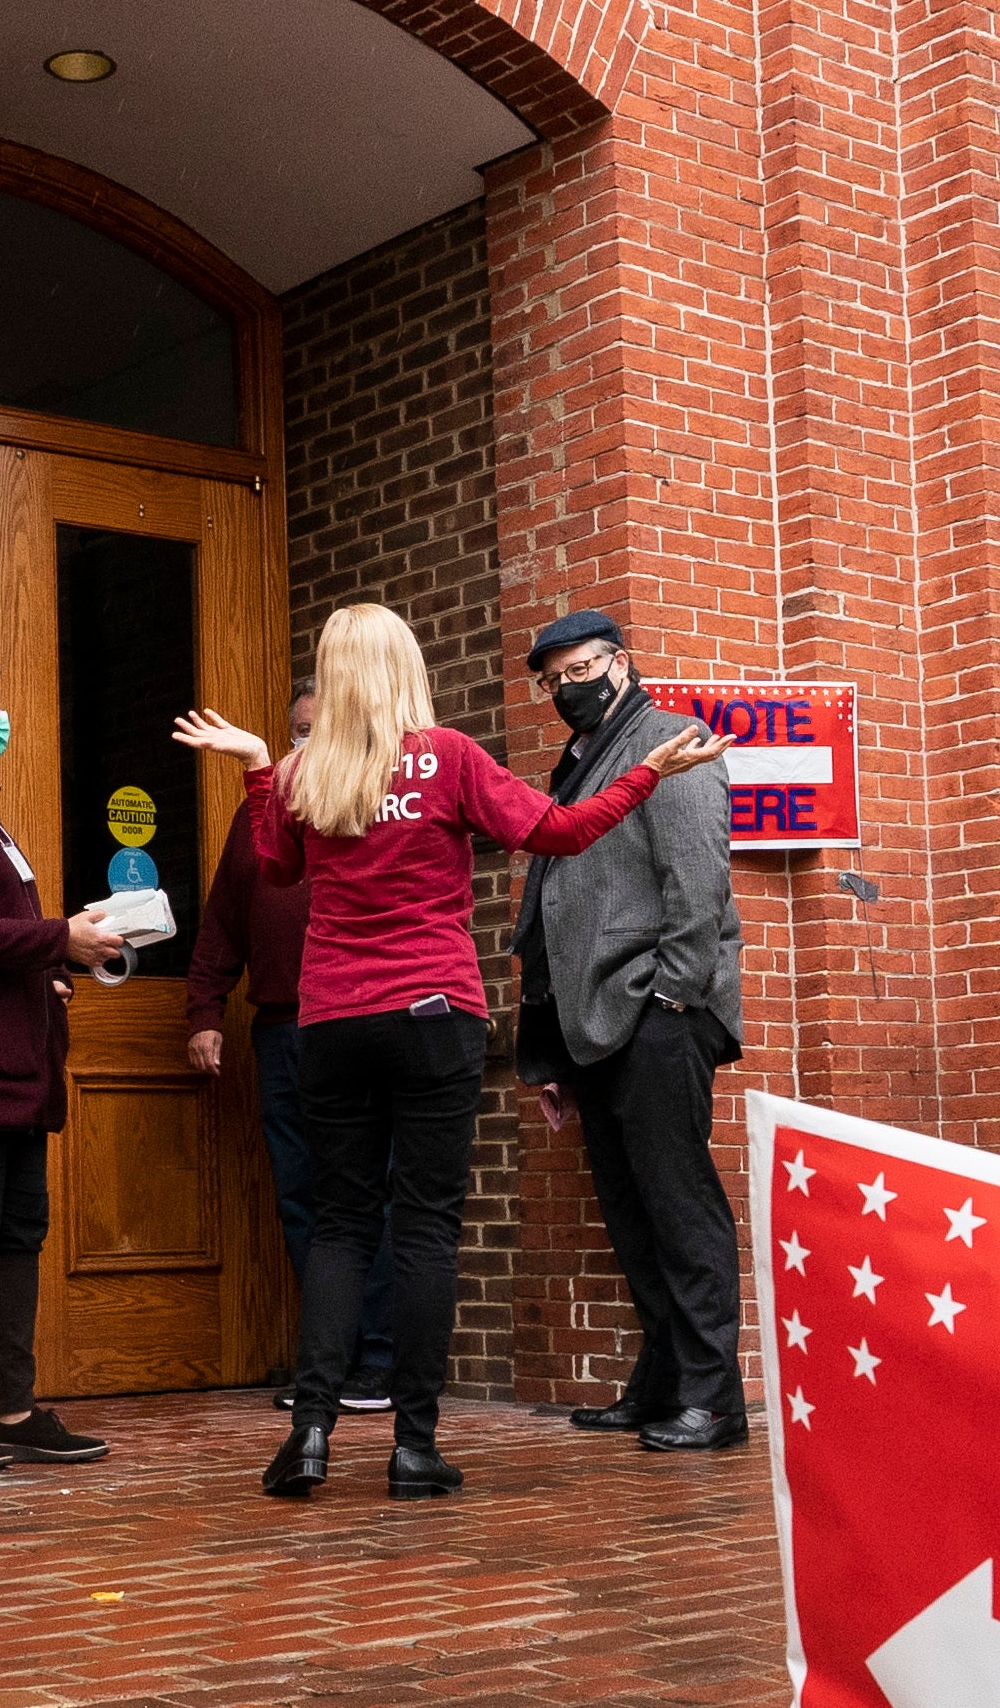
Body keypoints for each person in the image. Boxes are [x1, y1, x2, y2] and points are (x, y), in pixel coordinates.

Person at [175, 609, 716, 1501]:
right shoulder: (448, 758)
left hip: (332, 1019)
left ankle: (310, 1432)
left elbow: (274, 871)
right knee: (423, 1226)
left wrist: (256, 769)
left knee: (343, 1224)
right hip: (432, 1011)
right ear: (406, 667)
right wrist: (648, 772)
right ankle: (413, 1445)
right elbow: (561, 833)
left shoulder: (311, 769)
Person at [514, 610, 750, 1451]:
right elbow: (553, 904)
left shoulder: (671, 739)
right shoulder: (580, 761)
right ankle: (660, 1386)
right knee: (629, 1210)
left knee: (677, 1203)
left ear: (621, 663)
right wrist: (552, 1044)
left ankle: (714, 1401)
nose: (563, 688)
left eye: (578, 669)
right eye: (550, 680)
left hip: (656, 1014)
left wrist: (676, 997)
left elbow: (697, 878)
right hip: (594, 1024)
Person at [189, 689, 393, 1412]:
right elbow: (224, 918)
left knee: (369, 1194)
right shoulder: (260, 813)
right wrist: (204, 1011)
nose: (307, 744)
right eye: (298, 732)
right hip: (278, 1032)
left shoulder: (377, 802)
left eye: (320, 731)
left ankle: (379, 1360)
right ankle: (329, 1361)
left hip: (356, 1024)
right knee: (300, 1196)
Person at [0, 650, 114, 1474]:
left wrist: (55, 964)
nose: (0, 721)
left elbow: (0, 933)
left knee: (20, 1237)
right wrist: (59, 938)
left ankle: (11, 1409)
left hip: (23, 1065)